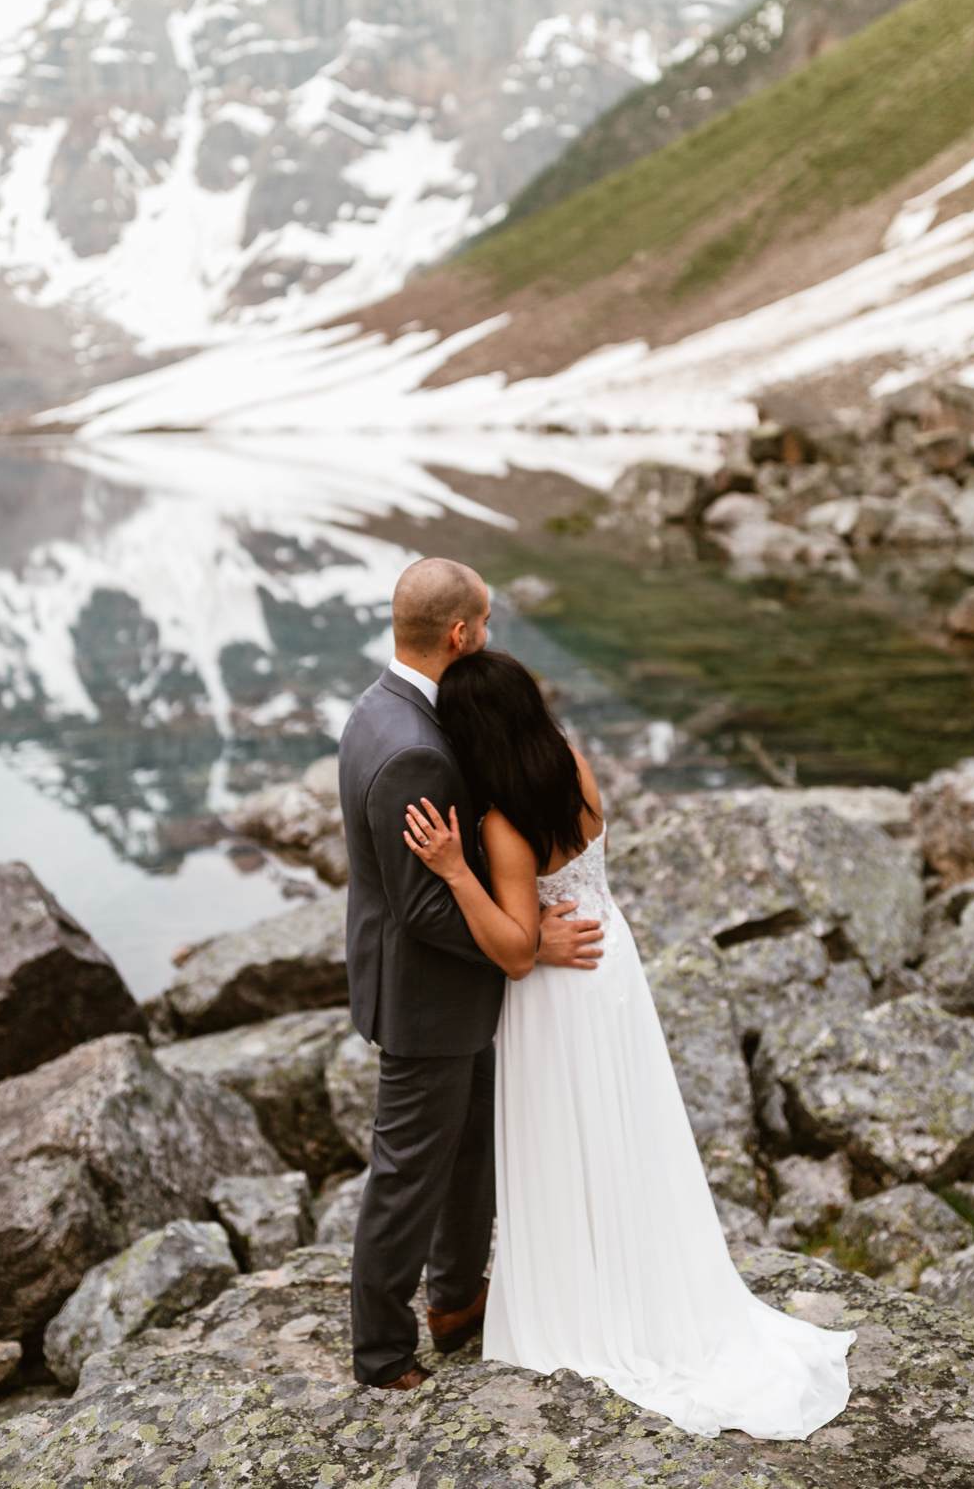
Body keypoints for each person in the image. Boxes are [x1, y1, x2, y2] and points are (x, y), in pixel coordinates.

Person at [401, 644, 853, 1438]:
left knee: (562, 1142)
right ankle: (635, 1274)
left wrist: (453, 869)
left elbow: (511, 949)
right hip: (610, 961)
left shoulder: (503, 828)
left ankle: (584, 1299)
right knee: (621, 1130)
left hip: (554, 994)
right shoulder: (572, 765)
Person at [336, 557, 604, 1392]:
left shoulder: (378, 710)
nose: (489, 636)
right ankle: (381, 1351)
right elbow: (422, 907)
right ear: (461, 633)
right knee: (410, 1173)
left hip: (444, 988)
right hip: (430, 998)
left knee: (470, 1152)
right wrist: (525, 941)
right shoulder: (416, 751)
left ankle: (457, 1301)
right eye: (484, 623)